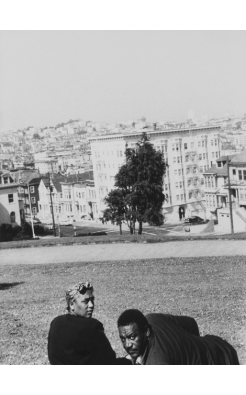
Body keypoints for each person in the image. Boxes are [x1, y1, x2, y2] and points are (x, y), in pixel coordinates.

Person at [117, 309, 239, 365]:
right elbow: (190, 322)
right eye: (123, 339)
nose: (127, 344)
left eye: (132, 337)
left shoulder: (158, 362)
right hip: (216, 344)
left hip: (224, 361)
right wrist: (192, 349)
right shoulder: (151, 319)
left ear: (146, 332)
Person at [48, 281, 117, 365]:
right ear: (72, 304)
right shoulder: (92, 326)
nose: (91, 305)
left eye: (92, 300)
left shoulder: (55, 322)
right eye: (86, 301)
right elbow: (109, 359)